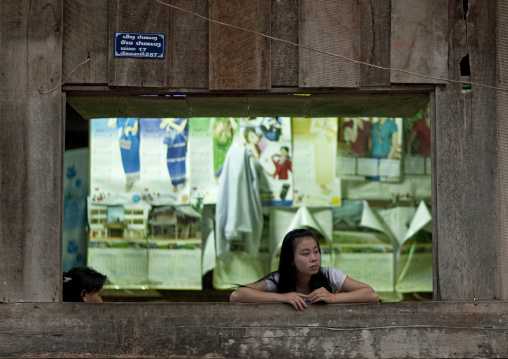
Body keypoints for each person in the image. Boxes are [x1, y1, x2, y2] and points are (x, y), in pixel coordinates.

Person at [230, 229, 379, 310]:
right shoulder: (278, 281)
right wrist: (282, 297)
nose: (314, 258)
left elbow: (371, 295)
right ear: (291, 259)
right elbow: (237, 295)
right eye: (306, 254)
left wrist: (333, 298)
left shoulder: (330, 275)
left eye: (316, 251)